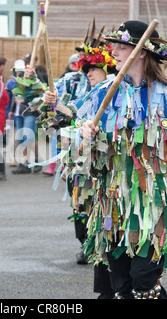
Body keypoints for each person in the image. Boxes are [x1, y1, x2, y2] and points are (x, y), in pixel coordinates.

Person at [58, 20, 167, 299]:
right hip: (112, 202)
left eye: (121, 45)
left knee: (144, 279)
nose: (112, 50)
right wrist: (84, 136)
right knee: (119, 284)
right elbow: (75, 151)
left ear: (140, 52)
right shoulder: (104, 93)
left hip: (153, 202)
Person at [44, 37, 118, 298]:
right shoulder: (90, 89)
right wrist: (53, 104)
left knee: (105, 215)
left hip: (107, 167)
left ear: (107, 67)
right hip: (84, 164)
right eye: (86, 69)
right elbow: (76, 114)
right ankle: (94, 252)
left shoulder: (113, 90)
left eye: (92, 69)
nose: (87, 74)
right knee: (85, 207)